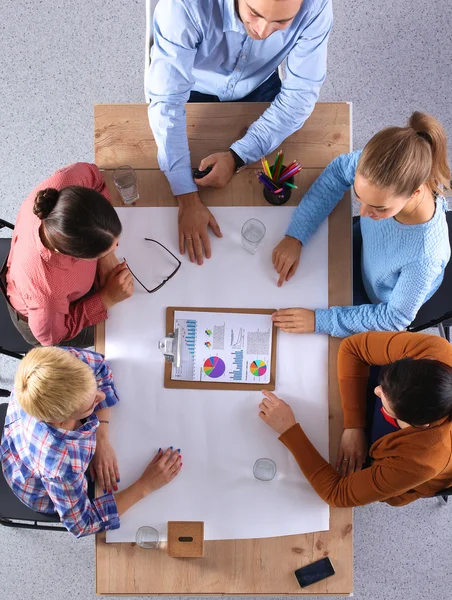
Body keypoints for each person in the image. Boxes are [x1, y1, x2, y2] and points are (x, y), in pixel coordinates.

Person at [147, 0, 333, 265]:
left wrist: (238, 156)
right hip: (193, 83)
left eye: (281, 22)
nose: (264, 31)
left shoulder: (317, 6)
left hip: (259, 81)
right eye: (254, 13)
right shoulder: (183, 5)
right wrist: (186, 197)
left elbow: (299, 99)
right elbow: (166, 102)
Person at [271, 112, 451, 337]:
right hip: (366, 250)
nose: (363, 213)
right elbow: (338, 172)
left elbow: (394, 318)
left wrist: (319, 321)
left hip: (375, 298)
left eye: (379, 207)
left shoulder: (425, 256)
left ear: (415, 193)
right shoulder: (376, 169)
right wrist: (295, 236)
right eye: (358, 196)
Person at [0, 346, 182, 537]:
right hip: (37, 486)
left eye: (93, 388)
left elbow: (100, 367)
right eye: (92, 405)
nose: (102, 397)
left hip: (21, 440)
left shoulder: (57, 366)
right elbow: (83, 524)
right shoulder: (61, 466)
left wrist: (101, 437)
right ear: (64, 420)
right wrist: (145, 486)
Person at [258, 331, 452, 507]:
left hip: (404, 464)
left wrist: (289, 430)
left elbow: (337, 494)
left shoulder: (423, 460)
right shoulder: (436, 352)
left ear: (419, 425)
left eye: (386, 402)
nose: (377, 390)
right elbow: (353, 347)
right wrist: (353, 425)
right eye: (383, 385)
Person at [4, 163, 134, 347]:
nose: (115, 251)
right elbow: (51, 337)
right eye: (105, 250)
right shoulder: (46, 293)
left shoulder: (68, 182)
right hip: (46, 321)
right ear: (74, 256)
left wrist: (104, 256)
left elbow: (95, 177)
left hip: (51, 290)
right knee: (119, 332)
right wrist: (106, 298)